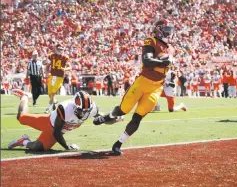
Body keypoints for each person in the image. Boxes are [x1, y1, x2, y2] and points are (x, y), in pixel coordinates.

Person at [93, 19, 174, 155]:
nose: (169, 33)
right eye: (166, 30)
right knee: (123, 110)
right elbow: (147, 61)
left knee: (138, 117)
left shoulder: (171, 48)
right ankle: (109, 116)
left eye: (170, 31)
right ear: (159, 30)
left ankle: (118, 144)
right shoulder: (151, 41)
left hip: (156, 88)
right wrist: (163, 62)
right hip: (143, 82)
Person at [8, 89, 122, 151]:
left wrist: (113, 119)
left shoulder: (92, 108)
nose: (84, 114)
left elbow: (101, 120)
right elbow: (56, 132)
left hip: (58, 130)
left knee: (38, 147)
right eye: (81, 111)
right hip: (49, 123)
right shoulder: (65, 108)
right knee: (21, 117)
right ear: (75, 106)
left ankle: (24, 141)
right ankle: (25, 97)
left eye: (86, 111)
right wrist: (67, 147)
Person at [45, 44, 71, 113]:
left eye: (62, 49)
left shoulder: (65, 57)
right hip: (52, 76)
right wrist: (46, 72)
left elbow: (70, 67)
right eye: (59, 49)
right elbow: (47, 66)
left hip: (59, 77)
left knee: (53, 93)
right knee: (49, 94)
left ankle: (48, 108)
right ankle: (54, 101)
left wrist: (65, 68)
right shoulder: (51, 56)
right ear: (56, 49)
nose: (61, 51)